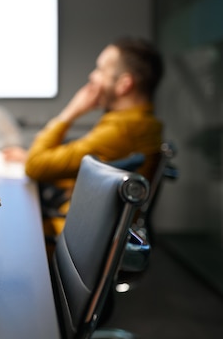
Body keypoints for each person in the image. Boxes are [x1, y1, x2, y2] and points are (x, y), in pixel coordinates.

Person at [25, 36, 164, 238]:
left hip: (69, 239)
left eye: (100, 70)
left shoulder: (121, 131)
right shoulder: (140, 124)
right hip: (86, 233)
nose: (92, 76)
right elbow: (90, 171)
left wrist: (70, 113)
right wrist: (53, 164)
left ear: (124, 84)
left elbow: (35, 165)